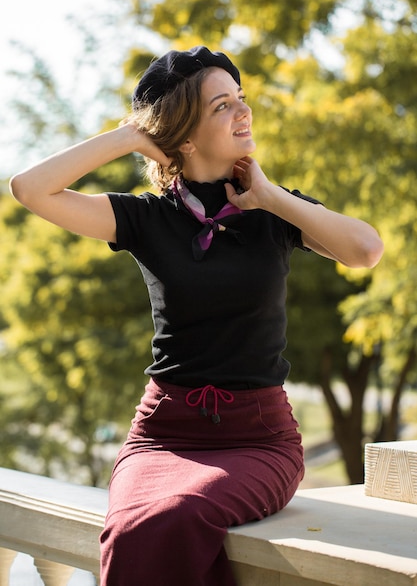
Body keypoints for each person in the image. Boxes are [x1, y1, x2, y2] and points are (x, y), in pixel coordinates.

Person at [9, 45, 384, 586]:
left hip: (260, 439)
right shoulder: (145, 218)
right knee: (133, 525)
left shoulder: (275, 214)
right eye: (222, 106)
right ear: (183, 134)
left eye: (241, 99)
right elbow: (29, 188)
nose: (243, 112)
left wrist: (271, 196)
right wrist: (132, 136)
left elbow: (365, 250)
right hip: (163, 434)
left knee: (175, 515)